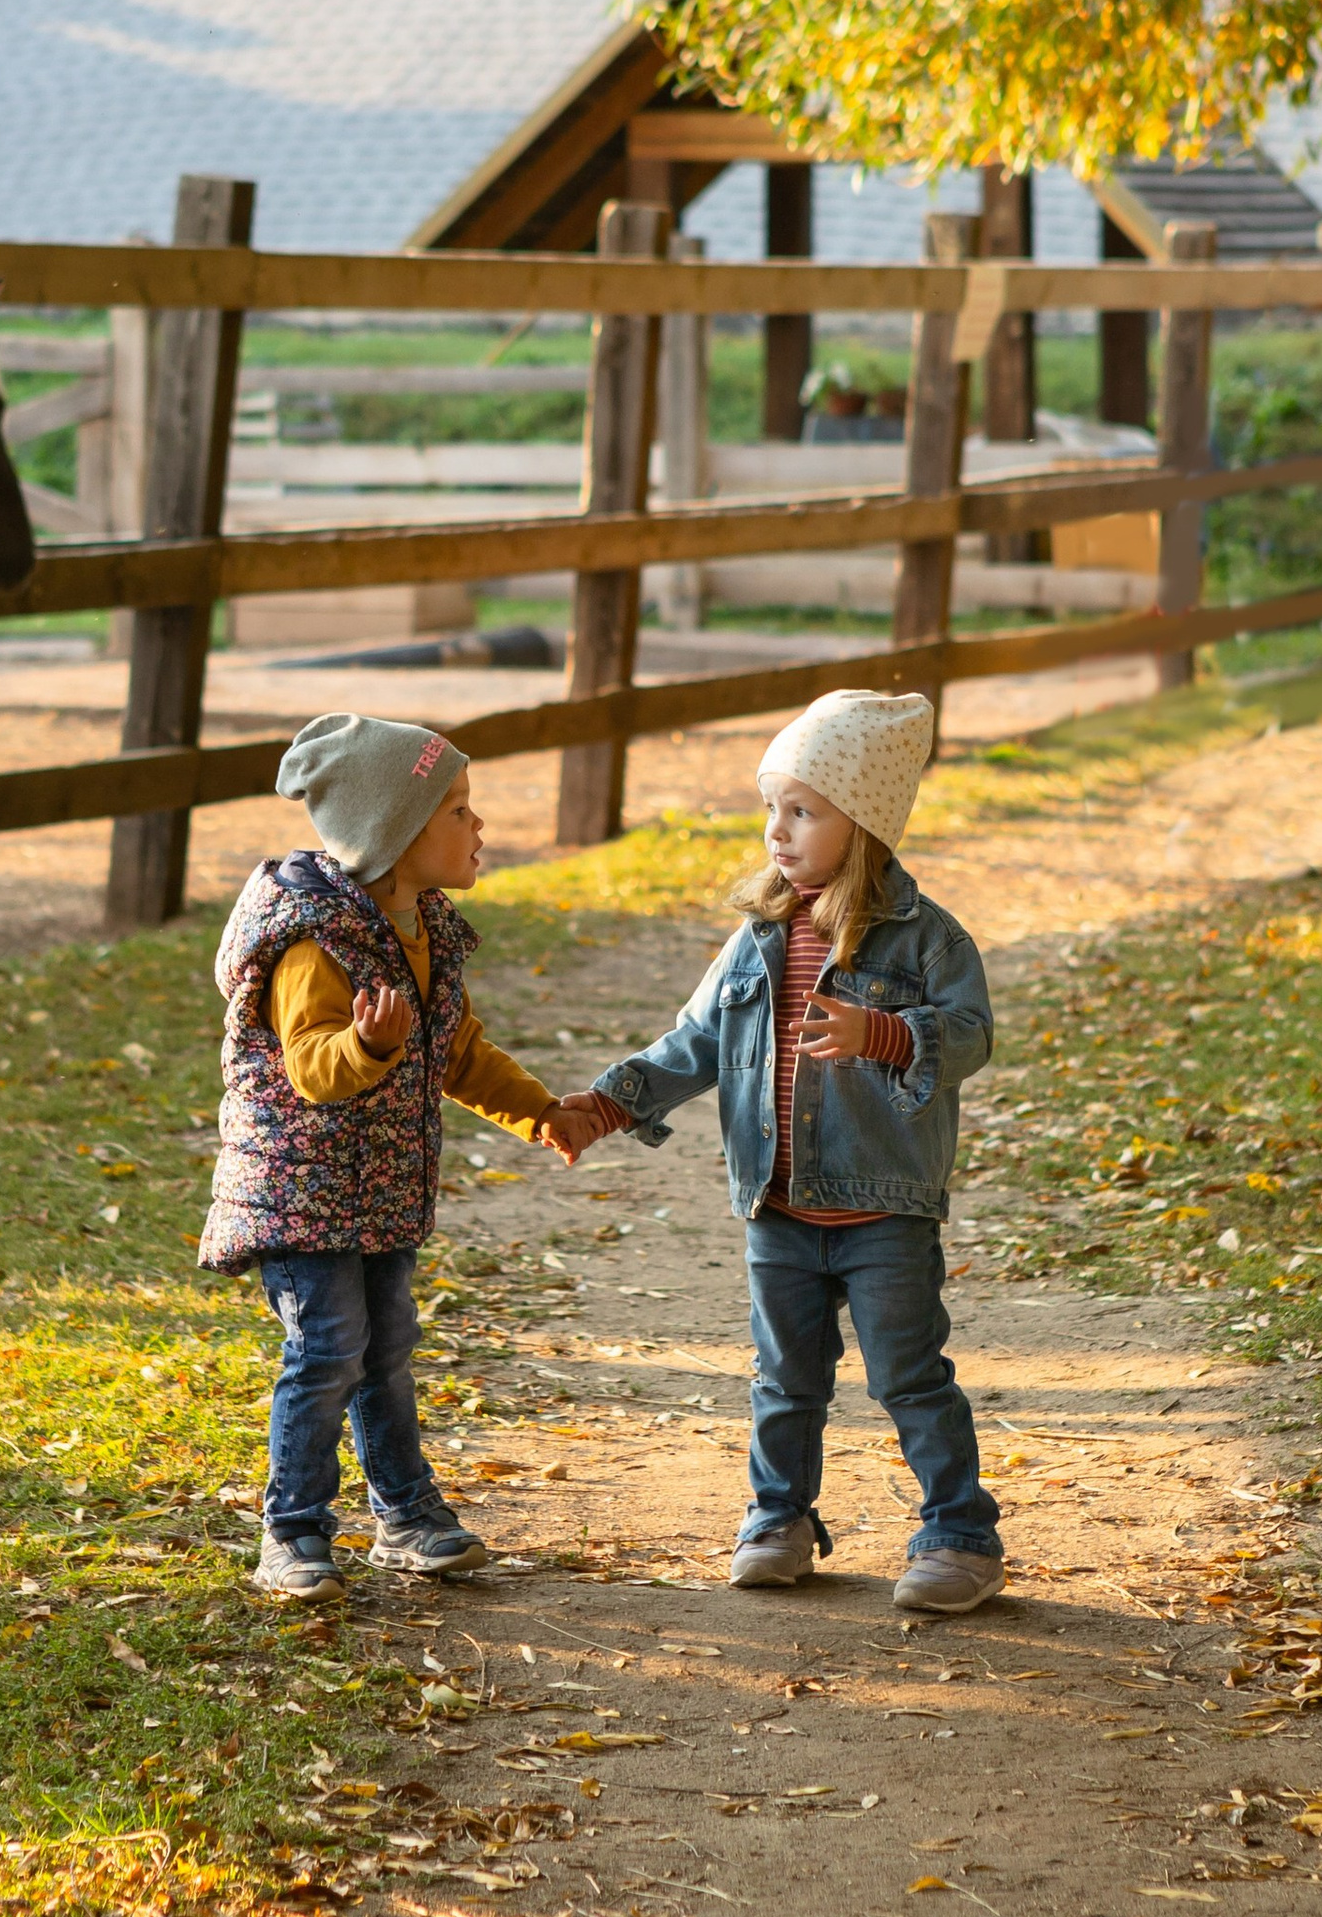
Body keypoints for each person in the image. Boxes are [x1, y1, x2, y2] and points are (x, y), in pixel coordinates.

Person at [550, 690, 1004, 1613]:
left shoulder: (928, 939)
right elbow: (695, 1044)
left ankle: (959, 1533)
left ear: (864, 822)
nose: (777, 830)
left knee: (909, 1378)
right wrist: (607, 1103)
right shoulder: (758, 938)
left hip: (884, 1209)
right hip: (780, 1207)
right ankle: (778, 1519)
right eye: (772, 807)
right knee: (785, 1380)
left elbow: (970, 1034)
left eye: (803, 810)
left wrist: (882, 1033)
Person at [201, 712, 605, 1604]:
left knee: (386, 1347)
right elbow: (310, 1068)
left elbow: (457, 1050)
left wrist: (540, 1112)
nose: (479, 826)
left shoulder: (420, 923)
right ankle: (294, 1531)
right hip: (301, 1194)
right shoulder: (314, 939)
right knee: (329, 1349)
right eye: (457, 809)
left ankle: (407, 1517)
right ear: (395, 833)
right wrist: (368, 1046)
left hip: (378, 1191)